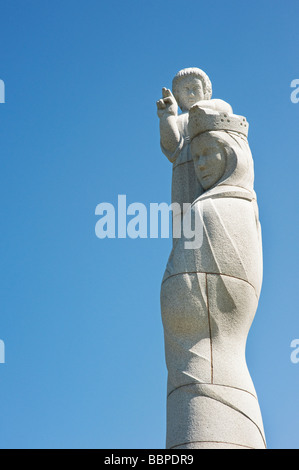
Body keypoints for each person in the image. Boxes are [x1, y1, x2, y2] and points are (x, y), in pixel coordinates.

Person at [160, 105, 266, 449]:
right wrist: (179, 146)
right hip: (194, 382)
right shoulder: (222, 207)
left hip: (215, 387)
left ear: (232, 155)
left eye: (211, 155)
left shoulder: (222, 209)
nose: (202, 165)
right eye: (199, 157)